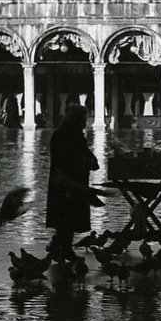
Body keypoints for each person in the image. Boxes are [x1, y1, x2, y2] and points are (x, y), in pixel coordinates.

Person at [45, 104, 108, 260]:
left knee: (66, 219)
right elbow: (68, 160)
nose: (85, 122)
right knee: (68, 217)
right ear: (76, 119)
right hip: (68, 184)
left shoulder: (67, 134)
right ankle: (64, 249)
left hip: (67, 183)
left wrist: (90, 161)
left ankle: (59, 247)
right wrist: (86, 163)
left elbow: (84, 155)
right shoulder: (68, 136)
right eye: (83, 119)